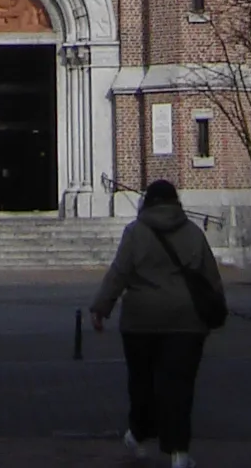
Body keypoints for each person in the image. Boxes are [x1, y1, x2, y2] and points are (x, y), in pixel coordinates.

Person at [90, 180, 224, 468]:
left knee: (142, 383)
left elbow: (119, 273)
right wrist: (216, 311)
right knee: (179, 387)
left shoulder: (135, 233)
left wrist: (101, 308)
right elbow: (210, 277)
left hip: (141, 322)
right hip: (186, 323)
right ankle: (179, 452)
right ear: (175, 202)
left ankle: (138, 433)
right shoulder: (192, 233)